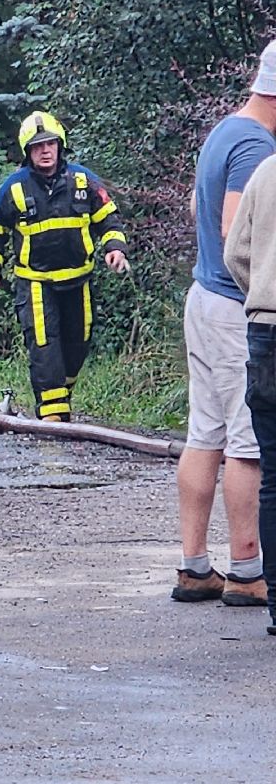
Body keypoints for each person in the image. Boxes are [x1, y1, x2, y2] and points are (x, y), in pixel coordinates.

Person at [172, 50, 276, 607]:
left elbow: (196, 208)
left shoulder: (223, 133)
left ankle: (194, 567)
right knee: (248, 444)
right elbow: (237, 231)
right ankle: (246, 571)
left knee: (205, 434)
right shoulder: (258, 146)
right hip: (235, 307)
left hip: (203, 296)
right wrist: (258, 295)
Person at [0, 111, 130, 421]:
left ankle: (60, 397)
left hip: (78, 280)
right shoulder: (14, 188)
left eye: (50, 144)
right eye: (37, 146)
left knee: (78, 343)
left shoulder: (84, 180)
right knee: (44, 347)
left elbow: (108, 219)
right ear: (27, 151)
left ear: (60, 146)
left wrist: (115, 248)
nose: (45, 151)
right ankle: (53, 422)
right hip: (35, 283)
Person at [224, 124, 276, 636]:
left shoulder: (265, 172)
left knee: (274, 479)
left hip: (266, 332)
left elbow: (235, 253)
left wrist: (261, 289)